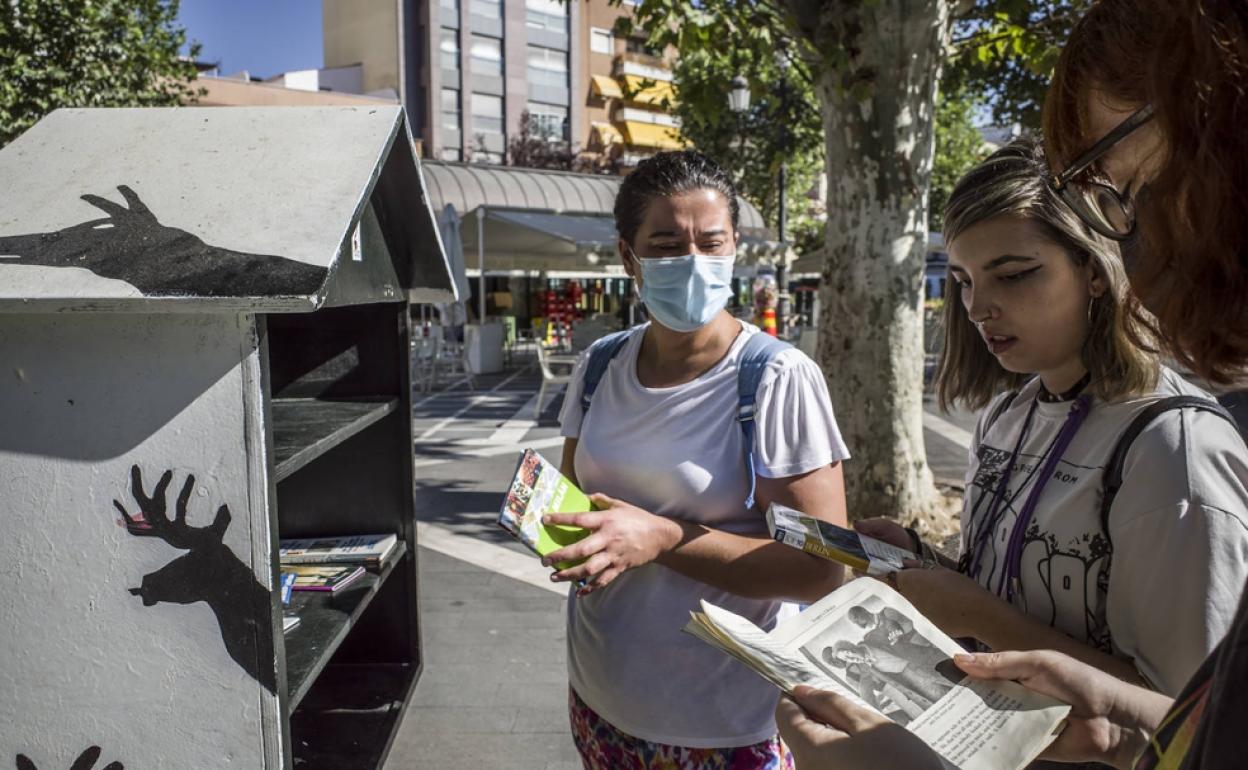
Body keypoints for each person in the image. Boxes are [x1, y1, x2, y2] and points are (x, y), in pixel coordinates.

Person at [776, 1, 1248, 767]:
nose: (979, 307)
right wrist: (926, 566)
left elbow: (1192, 723)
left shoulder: (1177, 450)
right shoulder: (1005, 415)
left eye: (1016, 274)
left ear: (1097, 269)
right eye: (961, 281)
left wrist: (975, 613)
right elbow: (1020, 589)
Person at [540, 150, 851, 769]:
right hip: (601, 700)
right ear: (629, 257)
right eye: (665, 245)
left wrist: (662, 537)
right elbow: (576, 493)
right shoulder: (601, 364)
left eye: (712, 243)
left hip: (726, 723)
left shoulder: (777, 377)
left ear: (736, 246)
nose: (692, 262)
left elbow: (823, 569)